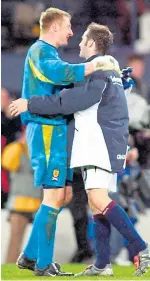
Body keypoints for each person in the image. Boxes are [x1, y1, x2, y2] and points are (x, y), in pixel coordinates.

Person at [10, 23, 150, 277]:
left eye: (84, 39)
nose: (79, 42)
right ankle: (102, 264)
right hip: (108, 144)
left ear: (92, 43)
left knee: (97, 200)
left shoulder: (100, 70)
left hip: (98, 145)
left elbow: (71, 101)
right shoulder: (111, 70)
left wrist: (30, 102)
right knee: (96, 208)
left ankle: (141, 247)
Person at [1, 130, 42, 263]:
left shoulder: (40, 153)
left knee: (38, 243)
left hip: (38, 204)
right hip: (19, 204)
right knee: (15, 240)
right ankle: (10, 268)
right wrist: (21, 143)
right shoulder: (16, 149)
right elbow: (6, 162)